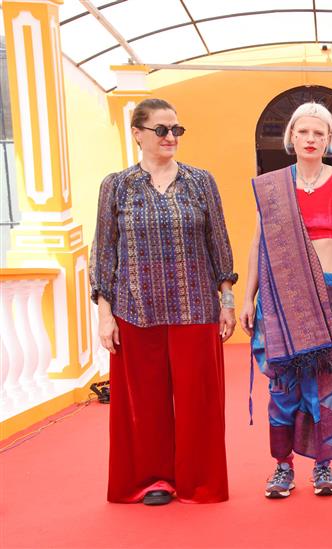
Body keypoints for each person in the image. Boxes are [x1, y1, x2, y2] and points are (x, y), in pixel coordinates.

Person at [90, 98, 237, 505]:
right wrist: (105, 316)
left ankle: (198, 480)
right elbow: (104, 254)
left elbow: (218, 246)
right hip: (136, 309)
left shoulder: (201, 181)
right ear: (137, 133)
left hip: (194, 308)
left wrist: (226, 301)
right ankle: (155, 480)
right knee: (146, 405)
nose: (171, 137)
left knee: (199, 403)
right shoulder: (116, 185)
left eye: (176, 130)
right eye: (161, 130)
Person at [240, 102, 332, 499]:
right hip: (280, 295)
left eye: (320, 133)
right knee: (283, 385)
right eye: (304, 132)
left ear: (330, 139)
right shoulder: (273, 184)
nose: (311, 139)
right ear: (291, 137)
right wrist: (248, 296)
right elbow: (260, 241)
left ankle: (323, 465)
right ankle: (282, 466)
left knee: (326, 383)